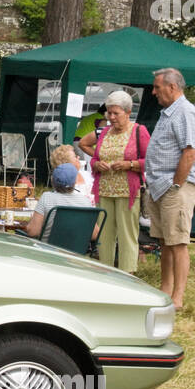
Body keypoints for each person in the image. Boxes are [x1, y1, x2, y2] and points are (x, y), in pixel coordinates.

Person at [145, 68, 195, 308]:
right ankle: (165, 290)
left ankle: (178, 297)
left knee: (178, 242)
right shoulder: (168, 112)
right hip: (160, 186)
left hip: (175, 187)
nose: (153, 92)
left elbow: (189, 152)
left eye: (157, 87)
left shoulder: (186, 113)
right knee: (164, 241)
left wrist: (177, 184)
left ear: (172, 87)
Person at [78, 90, 150, 273]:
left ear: (127, 112)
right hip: (104, 190)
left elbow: (150, 160)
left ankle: (128, 273)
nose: (111, 117)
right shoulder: (104, 132)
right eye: (109, 113)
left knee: (127, 234)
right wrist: (97, 164)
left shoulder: (139, 131)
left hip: (128, 191)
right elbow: (90, 151)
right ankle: (105, 271)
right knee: (105, 233)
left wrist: (129, 164)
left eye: (115, 113)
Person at [24, 163, 98, 240]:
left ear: (53, 180)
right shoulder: (85, 202)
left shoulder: (47, 197)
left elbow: (33, 231)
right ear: (75, 182)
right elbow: (94, 235)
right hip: (75, 251)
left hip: (48, 249)